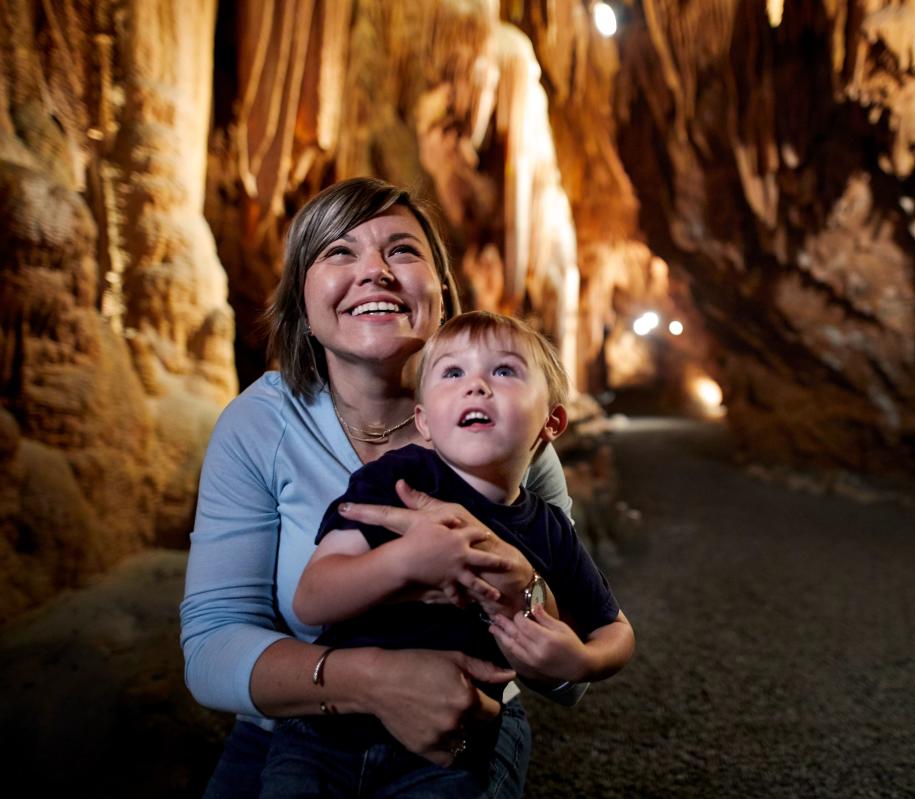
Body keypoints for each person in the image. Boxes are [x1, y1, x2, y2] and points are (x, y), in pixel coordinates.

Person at [180, 179, 585, 798]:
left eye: (402, 250)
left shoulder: (505, 432)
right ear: (301, 303)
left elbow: (571, 675)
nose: (375, 272)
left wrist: (522, 590)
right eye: (339, 253)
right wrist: (371, 679)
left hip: (459, 729)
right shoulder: (260, 424)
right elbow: (210, 648)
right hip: (292, 731)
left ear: (442, 292)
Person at [258, 311, 635, 797]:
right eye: (453, 373)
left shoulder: (548, 529)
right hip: (327, 733)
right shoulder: (399, 480)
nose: (476, 386)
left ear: (552, 421)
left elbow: (616, 630)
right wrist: (405, 562)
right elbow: (311, 599)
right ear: (424, 421)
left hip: (455, 744)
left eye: (504, 371)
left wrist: (583, 660)